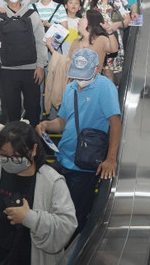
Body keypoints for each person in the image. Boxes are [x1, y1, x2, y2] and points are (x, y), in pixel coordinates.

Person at [35, 49, 122, 232]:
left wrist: (111, 159)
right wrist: (46, 125)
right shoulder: (70, 88)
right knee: (58, 211)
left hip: (86, 163)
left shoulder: (105, 87)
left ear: (96, 69)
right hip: (64, 158)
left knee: (77, 216)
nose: (80, 80)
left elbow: (115, 122)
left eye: (83, 75)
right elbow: (63, 121)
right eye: (76, 75)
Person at [0, 121, 77, 265]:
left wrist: (29, 218)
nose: (9, 162)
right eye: (4, 155)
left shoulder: (52, 182)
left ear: (33, 150)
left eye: (17, 157)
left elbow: (66, 226)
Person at [83, 0, 131, 80]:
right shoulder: (89, 2)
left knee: (109, 73)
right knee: (92, 73)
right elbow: (83, 20)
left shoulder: (119, 1)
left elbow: (127, 19)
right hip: (93, 39)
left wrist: (117, 24)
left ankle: (110, 96)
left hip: (112, 39)